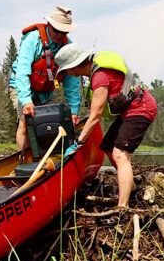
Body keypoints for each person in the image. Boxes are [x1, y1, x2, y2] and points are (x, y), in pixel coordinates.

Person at [55, 43, 157, 209]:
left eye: (66, 70)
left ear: (74, 67)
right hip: (130, 111)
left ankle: (123, 206)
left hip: (141, 108)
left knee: (119, 154)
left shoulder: (100, 76)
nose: (67, 74)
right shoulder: (96, 71)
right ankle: (131, 189)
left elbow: (95, 117)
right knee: (109, 147)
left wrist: (78, 143)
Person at [7, 6, 82, 151]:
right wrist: (27, 100)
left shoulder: (69, 48)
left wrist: (74, 111)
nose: (60, 35)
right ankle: (25, 163)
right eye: (57, 30)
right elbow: (22, 72)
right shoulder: (32, 40)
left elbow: (72, 84)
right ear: (49, 25)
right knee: (26, 122)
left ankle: (50, 160)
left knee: (56, 121)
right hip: (22, 86)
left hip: (45, 92)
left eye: (64, 32)